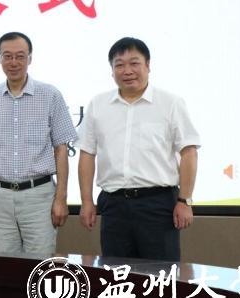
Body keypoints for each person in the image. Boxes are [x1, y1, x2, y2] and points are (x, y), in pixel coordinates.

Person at [77, 37, 200, 261]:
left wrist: (185, 201)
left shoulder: (170, 103)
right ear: (112, 70)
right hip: (114, 205)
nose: (127, 71)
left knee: (161, 276)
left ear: (148, 65)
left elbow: (189, 152)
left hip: (158, 204)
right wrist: (86, 201)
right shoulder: (98, 104)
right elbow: (87, 154)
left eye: (134, 63)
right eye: (119, 65)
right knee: (116, 274)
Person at [0, 32, 77, 254]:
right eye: (7, 56)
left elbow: (61, 149)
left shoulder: (50, 95)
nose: (13, 62)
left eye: (20, 56)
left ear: (30, 58)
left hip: (39, 196)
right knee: (6, 265)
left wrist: (61, 198)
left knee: (39, 264)